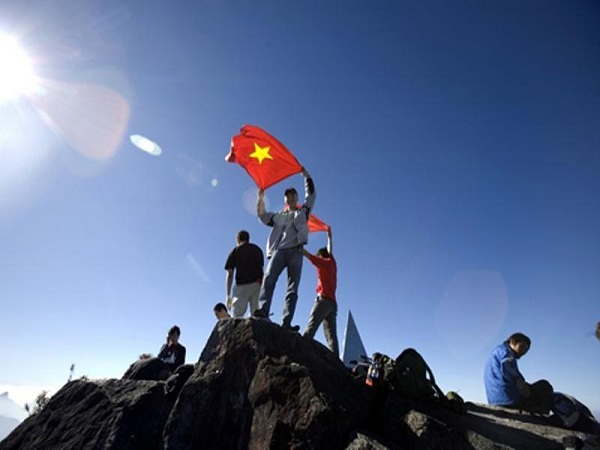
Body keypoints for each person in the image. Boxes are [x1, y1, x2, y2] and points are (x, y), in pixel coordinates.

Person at [254, 168, 316, 332]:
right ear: (285, 199)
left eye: (293, 195)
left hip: (296, 251)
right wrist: (260, 199)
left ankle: (286, 322)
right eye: (288, 196)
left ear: (297, 198)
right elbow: (262, 216)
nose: (291, 197)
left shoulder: (303, 211)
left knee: (292, 287)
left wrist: (306, 175)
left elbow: (312, 195)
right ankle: (263, 311)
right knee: (269, 279)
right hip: (279, 251)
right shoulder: (278, 216)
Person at [484, 332, 553, 412]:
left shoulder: (498, 351)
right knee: (544, 386)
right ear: (512, 342)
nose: (523, 351)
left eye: (526, 350)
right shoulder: (506, 352)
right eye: (522, 347)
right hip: (508, 398)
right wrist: (518, 380)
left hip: (496, 399)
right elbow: (506, 364)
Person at [302, 227, 338, 355]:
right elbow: (330, 250)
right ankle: (335, 361)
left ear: (320, 256)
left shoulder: (323, 263)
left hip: (323, 300)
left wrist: (299, 247)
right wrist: (329, 237)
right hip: (333, 303)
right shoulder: (332, 263)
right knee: (331, 335)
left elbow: (309, 256)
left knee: (311, 326)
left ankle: (301, 351)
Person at [224, 230, 264, 318]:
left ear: (237, 240)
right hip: (256, 285)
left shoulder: (235, 251)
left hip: (241, 287)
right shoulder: (257, 250)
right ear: (248, 239)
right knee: (256, 316)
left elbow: (230, 274)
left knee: (237, 316)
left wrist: (228, 295)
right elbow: (262, 270)